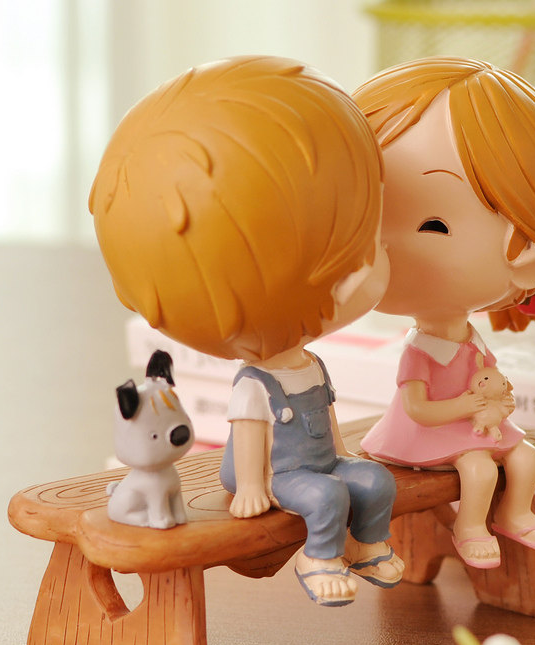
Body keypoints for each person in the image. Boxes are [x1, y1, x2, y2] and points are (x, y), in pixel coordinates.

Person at [90, 55, 403, 605]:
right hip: (274, 475)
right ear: (345, 279)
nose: (382, 250)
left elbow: (328, 417)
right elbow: (251, 436)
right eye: (369, 236)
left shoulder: (310, 365)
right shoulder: (256, 385)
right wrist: (253, 488)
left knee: (376, 481)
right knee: (326, 497)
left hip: (321, 462)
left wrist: (342, 457)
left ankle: (366, 544)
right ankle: (318, 557)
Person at [353, 57, 535, 569]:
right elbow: (417, 409)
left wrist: (497, 401)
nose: (383, 246)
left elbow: (491, 381)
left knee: (525, 456)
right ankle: (469, 526)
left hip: (473, 426)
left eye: (433, 224)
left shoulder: (470, 341)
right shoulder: (421, 351)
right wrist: (468, 406)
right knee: (477, 470)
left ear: (524, 252)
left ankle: (514, 515)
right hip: (427, 434)